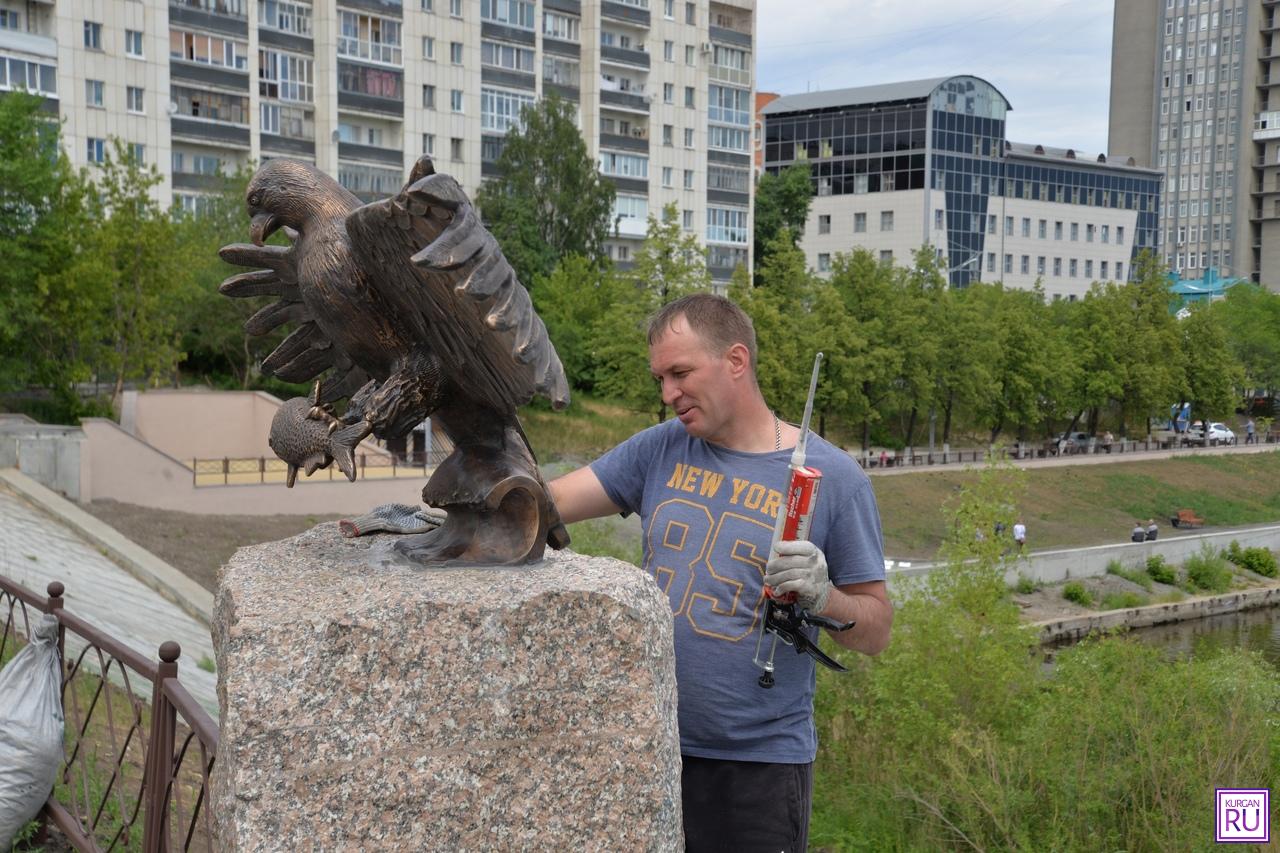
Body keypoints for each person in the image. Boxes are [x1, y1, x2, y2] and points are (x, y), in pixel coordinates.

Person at [548, 294, 892, 853]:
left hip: (757, 767)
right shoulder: (660, 448)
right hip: (648, 745)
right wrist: (454, 506)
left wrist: (826, 596)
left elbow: (876, 630)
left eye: (680, 373)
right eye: (660, 378)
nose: (668, 395)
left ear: (736, 361)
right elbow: (547, 501)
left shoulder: (834, 478)